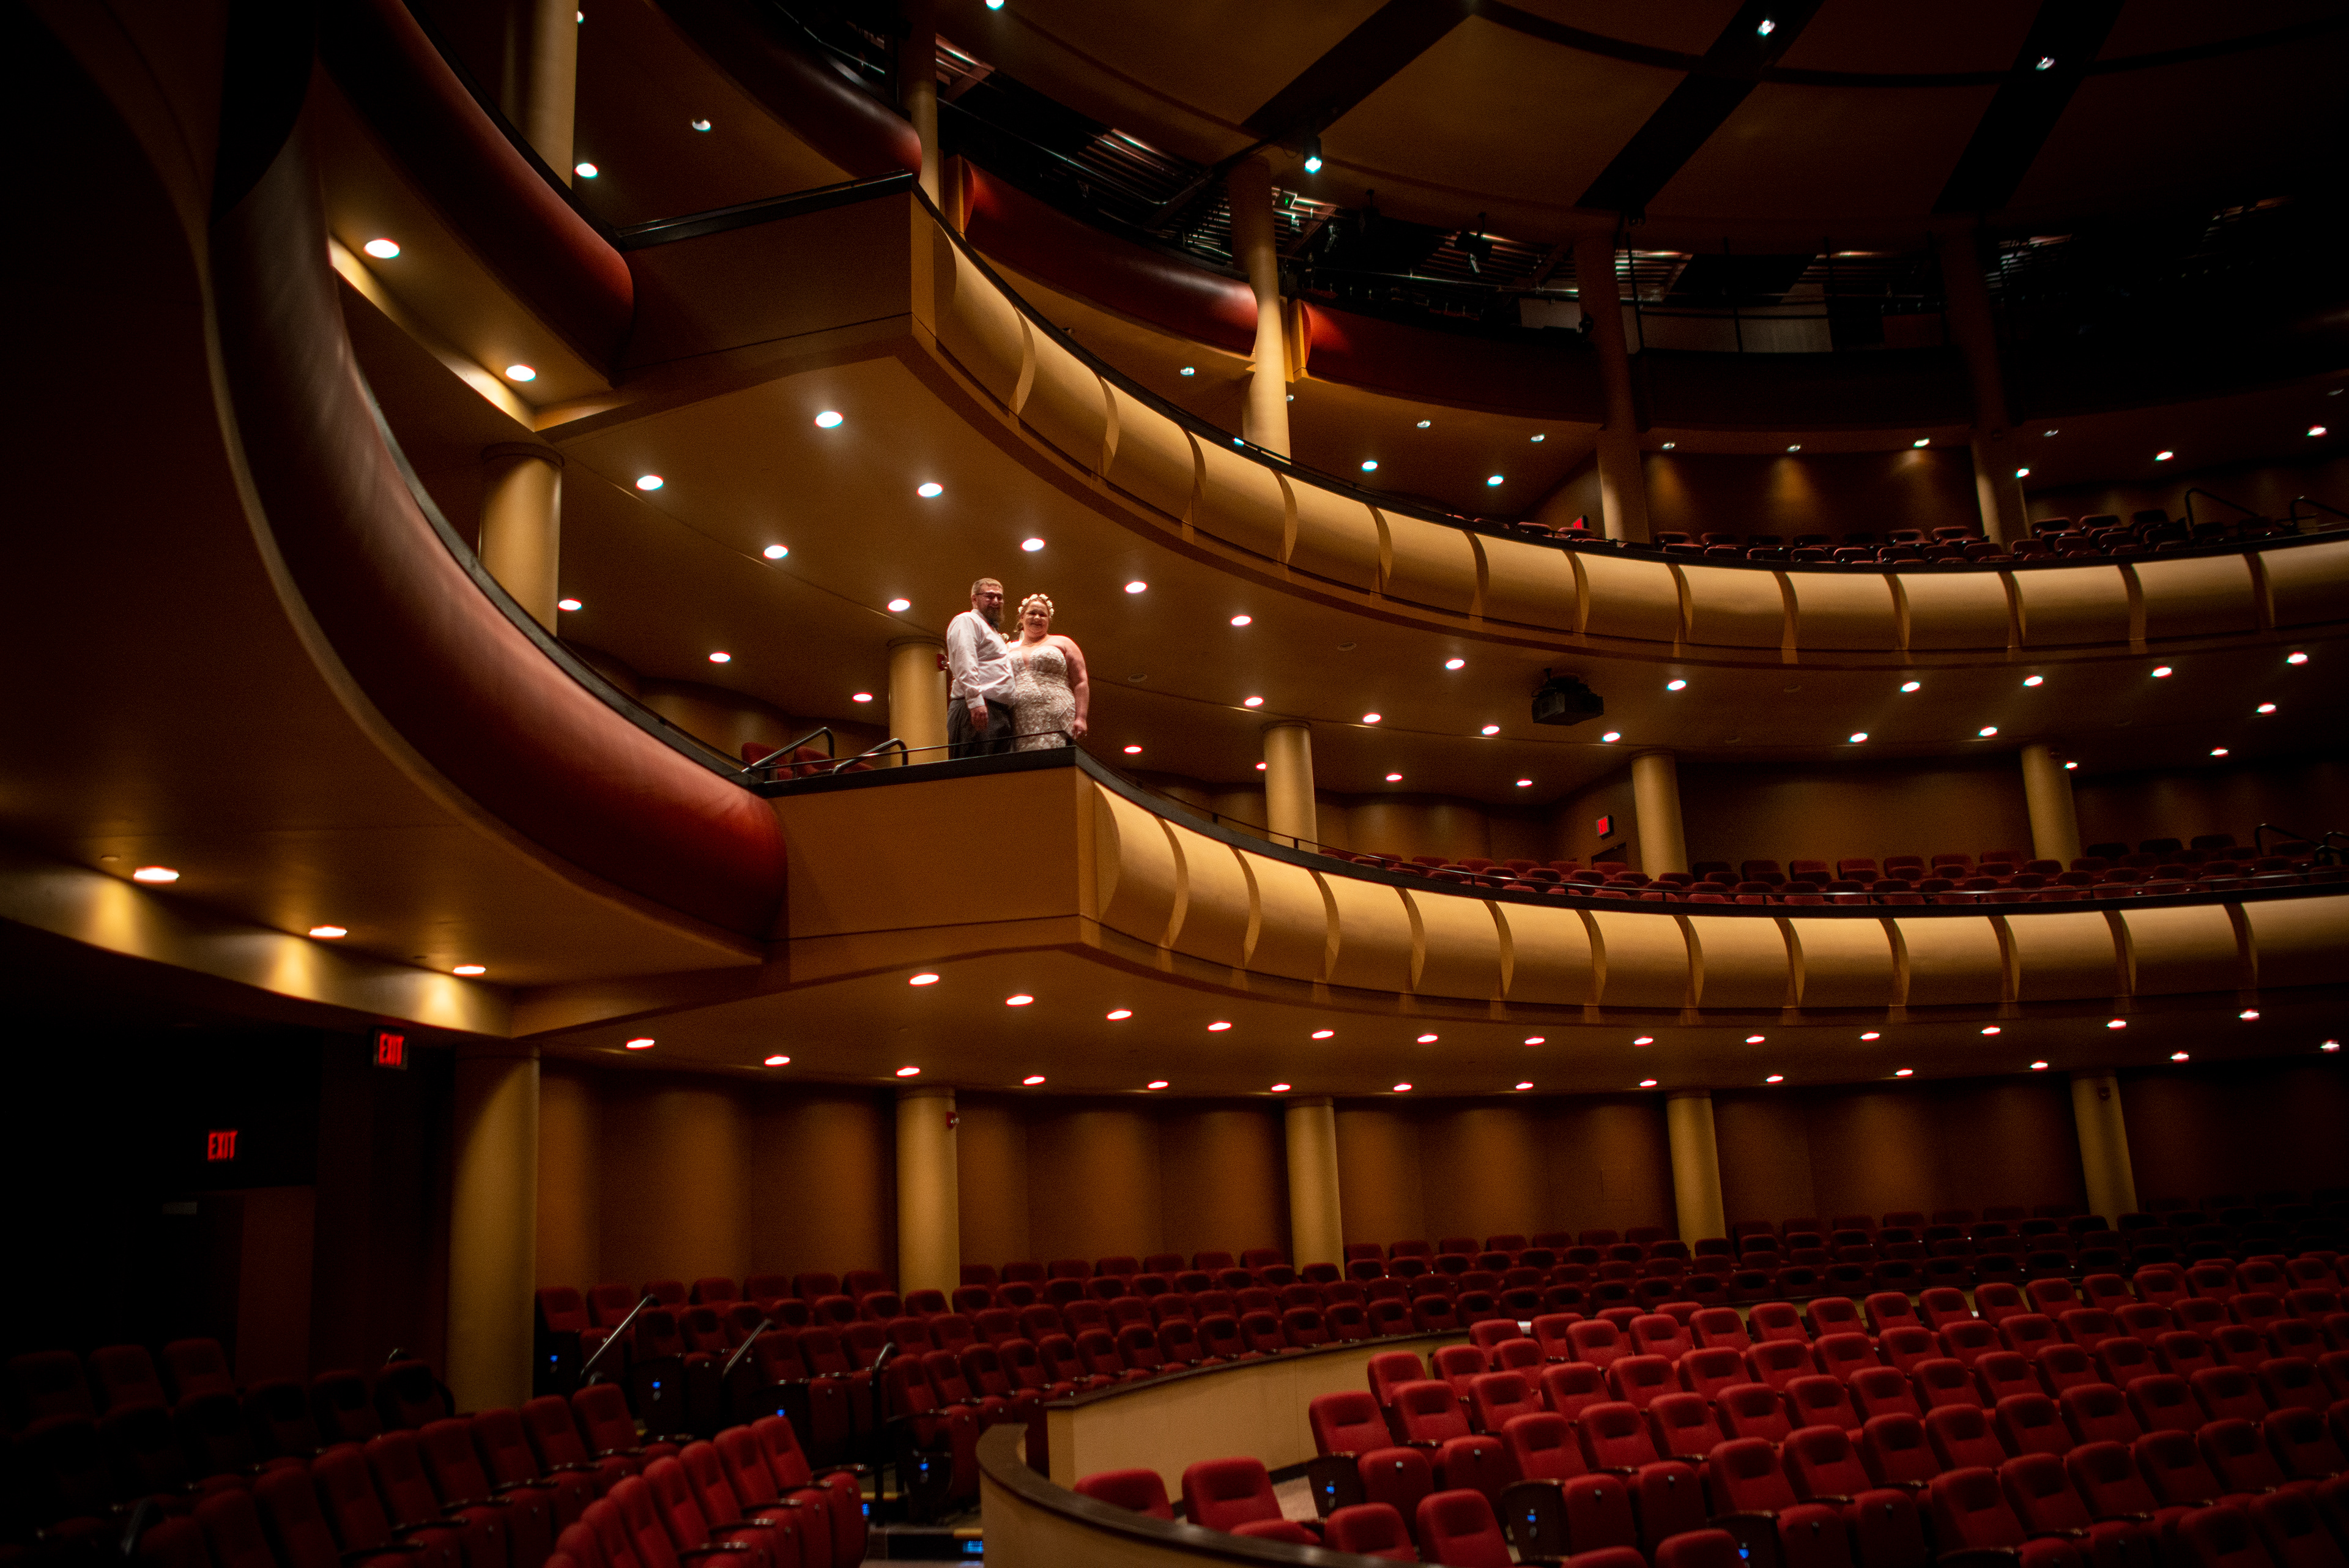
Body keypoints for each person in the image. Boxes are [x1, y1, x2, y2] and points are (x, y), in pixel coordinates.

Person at [1006, 592, 1088, 750]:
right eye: (1032, 613)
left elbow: (1081, 682)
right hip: (1019, 715)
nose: (1037, 618)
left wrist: (1081, 717)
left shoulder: (1063, 642)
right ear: (1022, 617)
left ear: (1049, 620)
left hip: (1057, 712)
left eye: (1043, 615)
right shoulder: (1008, 648)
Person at [945, 577, 1014, 757]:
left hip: (998, 711)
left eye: (1000, 597)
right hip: (976, 708)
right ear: (974, 599)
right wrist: (975, 702)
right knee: (973, 771)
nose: (996, 601)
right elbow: (965, 661)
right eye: (989, 596)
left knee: (997, 773)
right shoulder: (967, 620)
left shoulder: (993, 631)